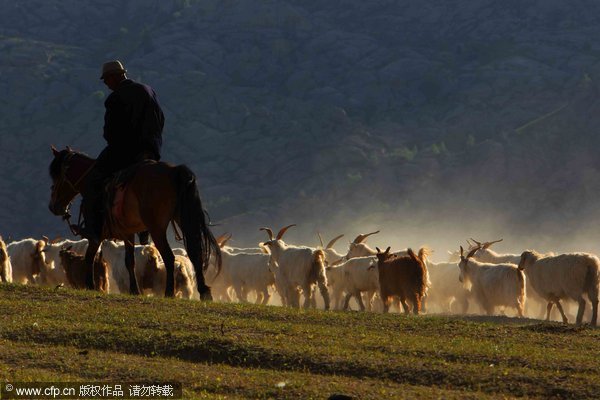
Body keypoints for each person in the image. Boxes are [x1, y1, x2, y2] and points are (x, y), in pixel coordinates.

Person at [76, 60, 165, 241]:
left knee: (92, 181)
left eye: (106, 80)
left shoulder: (115, 98)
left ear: (113, 77)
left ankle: (94, 230)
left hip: (126, 153)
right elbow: (161, 119)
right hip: (152, 151)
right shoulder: (148, 90)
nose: (106, 84)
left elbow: (110, 133)